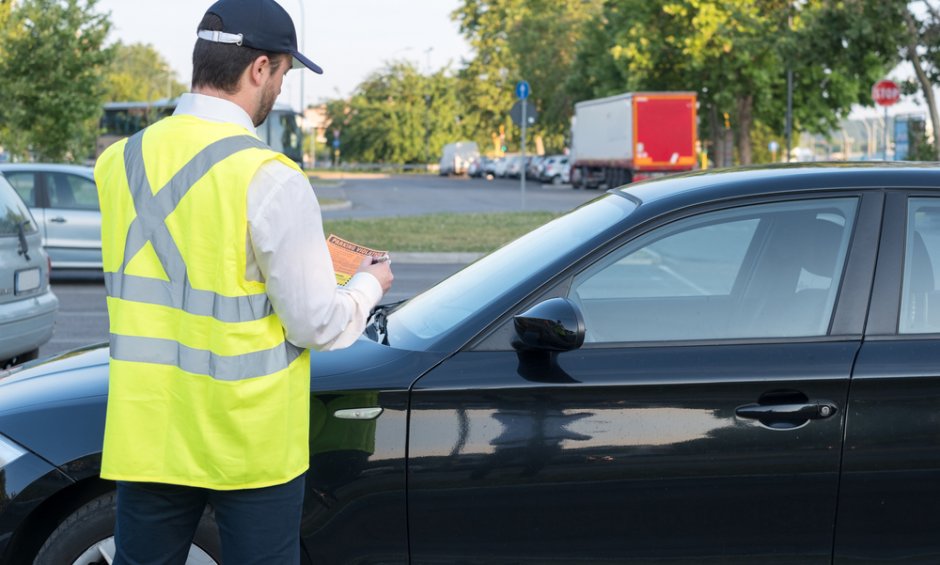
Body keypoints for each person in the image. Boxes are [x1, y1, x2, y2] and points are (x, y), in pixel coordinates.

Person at [93, 0, 393, 563]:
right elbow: (317, 324)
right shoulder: (271, 177)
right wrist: (369, 284)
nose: (279, 87)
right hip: (248, 441)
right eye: (282, 72)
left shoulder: (119, 162)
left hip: (149, 431)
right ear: (260, 69)